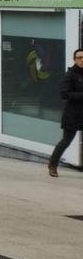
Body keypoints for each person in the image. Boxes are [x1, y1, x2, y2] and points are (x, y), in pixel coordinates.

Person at [48, 48, 83, 178]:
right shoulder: (70, 75)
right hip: (73, 114)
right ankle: (52, 165)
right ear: (74, 59)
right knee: (66, 141)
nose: (82, 60)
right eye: (79, 57)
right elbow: (64, 94)